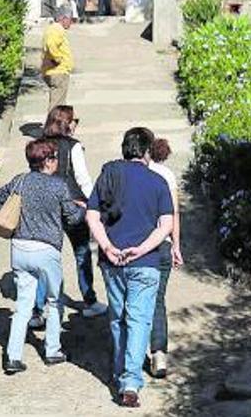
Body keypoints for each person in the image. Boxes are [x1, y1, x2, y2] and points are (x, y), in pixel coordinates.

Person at [86, 128, 174, 408]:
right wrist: (144, 248)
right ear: (147, 151)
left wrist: (108, 247)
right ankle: (130, 382)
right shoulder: (157, 181)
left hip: (112, 262)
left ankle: (120, 372)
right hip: (145, 262)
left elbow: (92, 216)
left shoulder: (108, 176)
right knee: (138, 320)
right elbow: (166, 225)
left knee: (118, 317)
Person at [0, 138, 86, 375]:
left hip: (20, 248)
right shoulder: (58, 186)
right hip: (46, 250)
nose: (56, 162)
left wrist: (12, 222)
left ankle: (13, 356)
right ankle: (52, 350)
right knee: (54, 300)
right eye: (54, 157)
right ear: (48, 161)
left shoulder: (19, 181)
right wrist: (82, 208)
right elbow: (72, 219)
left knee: (23, 304)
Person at [42, 105, 108, 318]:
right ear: (66, 124)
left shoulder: (41, 145)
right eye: (74, 120)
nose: (76, 123)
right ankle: (90, 301)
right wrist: (95, 204)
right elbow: (83, 179)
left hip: (48, 207)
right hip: (73, 206)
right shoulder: (74, 147)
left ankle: (38, 308)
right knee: (81, 253)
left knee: (48, 256)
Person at [146, 138, 183, 379]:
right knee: (158, 300)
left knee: (136, 301)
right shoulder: (168, 175)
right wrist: (177, 245)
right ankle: (159, 353)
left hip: (138, 244)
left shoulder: (133, 174)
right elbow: (174, 213)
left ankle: (134, 352)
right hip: (162, 244)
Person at [41, 6, 75, 109]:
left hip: (57, 71)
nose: (71, 22)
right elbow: (51, 45)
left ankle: (59, 123)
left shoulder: (55, 29)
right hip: (57, 72)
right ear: (63, 18)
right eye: (70, 19)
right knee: (57, 104)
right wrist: (58, 59)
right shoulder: (56, 29)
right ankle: (53, 124)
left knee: (59, 103)